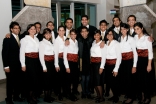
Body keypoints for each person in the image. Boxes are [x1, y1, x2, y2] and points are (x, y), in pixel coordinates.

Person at [2, 21, 23, 104]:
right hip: (10, 65)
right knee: (10, 82)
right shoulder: (7, 39)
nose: (17, 29)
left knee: (18, 82)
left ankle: (16, 96)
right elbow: (4, 53)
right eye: (15, 28)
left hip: (19, 65)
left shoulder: (21, 38)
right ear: (11, 29)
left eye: (18, 28)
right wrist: (6, 66)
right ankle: (9, 99)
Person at [20, 24, 40, 104]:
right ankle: (29, 97)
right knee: (30, 80)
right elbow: (21, 53)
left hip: (36, 60)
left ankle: (34, 96)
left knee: (35, 79)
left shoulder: (37, 39)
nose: (33, 30)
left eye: (34, 29)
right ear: (28, 30)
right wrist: (23, 64)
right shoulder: (24, 39)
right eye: (31, 29)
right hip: (28, 60)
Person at [118, 23, 138, 104]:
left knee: (130, 80)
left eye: (124, 29)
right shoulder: (119, 38)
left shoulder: (131, 39)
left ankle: (131, 97)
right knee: (124, 79)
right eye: (121, 29)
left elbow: (135, 53)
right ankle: (128, 94)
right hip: (122, 62)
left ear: (127, 30)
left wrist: (134, 66)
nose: (123, 30)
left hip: (129, 61)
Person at [134, 22, 153, 104]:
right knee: (140, 79)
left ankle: (147, 97)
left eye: (138, 28)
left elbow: (150, 52)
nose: (136, 30)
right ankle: (141, 96)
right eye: (135, 29)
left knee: (146, 80)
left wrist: (149, 64)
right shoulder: (134, 37)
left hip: (146, 60)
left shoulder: (147, 38)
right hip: (138, 60)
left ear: (142, 28)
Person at [104, 28, 121, 103]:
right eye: (108, 34)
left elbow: (119, 57)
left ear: (113, 35)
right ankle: (114, 95)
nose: (109, 35)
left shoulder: (116, 43)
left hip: (114, 65)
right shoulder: (106, 43)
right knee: (110, 82)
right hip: (107, 65)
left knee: (115, 82)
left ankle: (116, 97)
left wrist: (116, 69)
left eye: (111, 34)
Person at [39, 28, 55, 103]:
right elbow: (41, 56)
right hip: (46, 63)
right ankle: (46, 97)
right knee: (46, 81)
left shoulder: (50, 42)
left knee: (51, 80)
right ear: (44, 35)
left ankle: (49, 96)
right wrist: (44, 66)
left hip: (51, 63)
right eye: (46, 33)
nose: (48, 35)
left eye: (49, 33)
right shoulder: (42, 43)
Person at [90, 30, 106, 103]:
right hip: (92, 64)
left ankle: (102, 97)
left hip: (99, 64)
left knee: (98, 81)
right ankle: (98, 95)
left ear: (100, 36)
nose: (96, 36)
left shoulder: (102, 44)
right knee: (94, 81)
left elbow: (104, 56)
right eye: (95, 35)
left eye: (98, 35)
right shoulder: (93, 42)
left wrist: (101, 67)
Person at [78, 26, 93, 98]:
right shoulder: (78, 40)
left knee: (88, 78)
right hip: (81, 61)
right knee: (83, 78)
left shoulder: (91, 39)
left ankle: (88, 92)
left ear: (88, 32)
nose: (84, 33)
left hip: (89, 61)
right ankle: (83, 92)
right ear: (80, 33)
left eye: (85, 31)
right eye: (82, 31)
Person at [63, 29, 79, 101]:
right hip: (69, 62)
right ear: (70, 34)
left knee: (74, 79)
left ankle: (72, 93)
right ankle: (69, 94)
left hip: (75, 63)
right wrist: (67, 67)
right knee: (68, 80)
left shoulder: (76, 42)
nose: (73, 35)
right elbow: (64, 55)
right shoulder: (67, 41)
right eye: (72, 34)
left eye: (74, 34)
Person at [54, 26, 66, 101]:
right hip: (59, 60)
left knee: (65, 78)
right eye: (60, 30)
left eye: (63, 30)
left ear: (64, 31)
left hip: (66, 60)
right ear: (58, 31)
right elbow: (55, 53)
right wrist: (56, 64)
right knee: (59, 78)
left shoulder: (66, 38)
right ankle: (59, 94)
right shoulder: (56, 40)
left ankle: (65, 92)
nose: (61, 32)